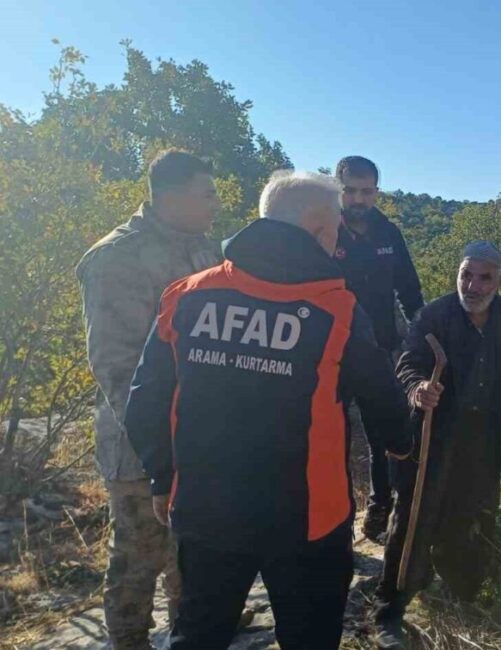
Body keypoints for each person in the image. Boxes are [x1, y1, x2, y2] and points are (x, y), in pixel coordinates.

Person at [124, 171, 412, 650]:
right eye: (336, 230)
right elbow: (384, 403)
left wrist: (163, 478)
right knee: (309, 638)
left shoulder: (187, 295)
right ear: (320, 229)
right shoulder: (338, 310)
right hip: (308, 522)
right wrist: (404, 449)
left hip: (205, 510)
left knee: (199, 634)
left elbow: (145, 400)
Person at [77, 149, 221, 650]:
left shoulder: (206, 250)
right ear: (172, 196)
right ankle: (130, 641)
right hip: (141, 446)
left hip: (200, 438)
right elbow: (115, 368)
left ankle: (190, 633)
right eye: (207, 193)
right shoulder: (117, 257)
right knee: (139, 557)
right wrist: (160, 446)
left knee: (192, 551)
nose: (216, 204)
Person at [373, 241, 501, 649]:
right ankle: (390, 609)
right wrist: (418, 389)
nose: (473, 285)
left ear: (499, 279)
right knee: (413, 520)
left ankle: (462, 595)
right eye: (466, 275)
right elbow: (408, 363)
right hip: (433, 438)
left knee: (472, 516)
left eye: (484, 277)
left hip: (484, 439)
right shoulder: (434, 315)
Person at [333, 156, 425, 541]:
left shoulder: (388, 233)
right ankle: (336, 517)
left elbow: (408, 290)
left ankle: (378, 507)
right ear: (337, 189)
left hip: (378, 350)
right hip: (330, 352)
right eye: (350, 190)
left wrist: (424, 336)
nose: (358, 199)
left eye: (366, 191)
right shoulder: (322, 229)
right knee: (332, 436)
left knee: (382, 433)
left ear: (376, 191)